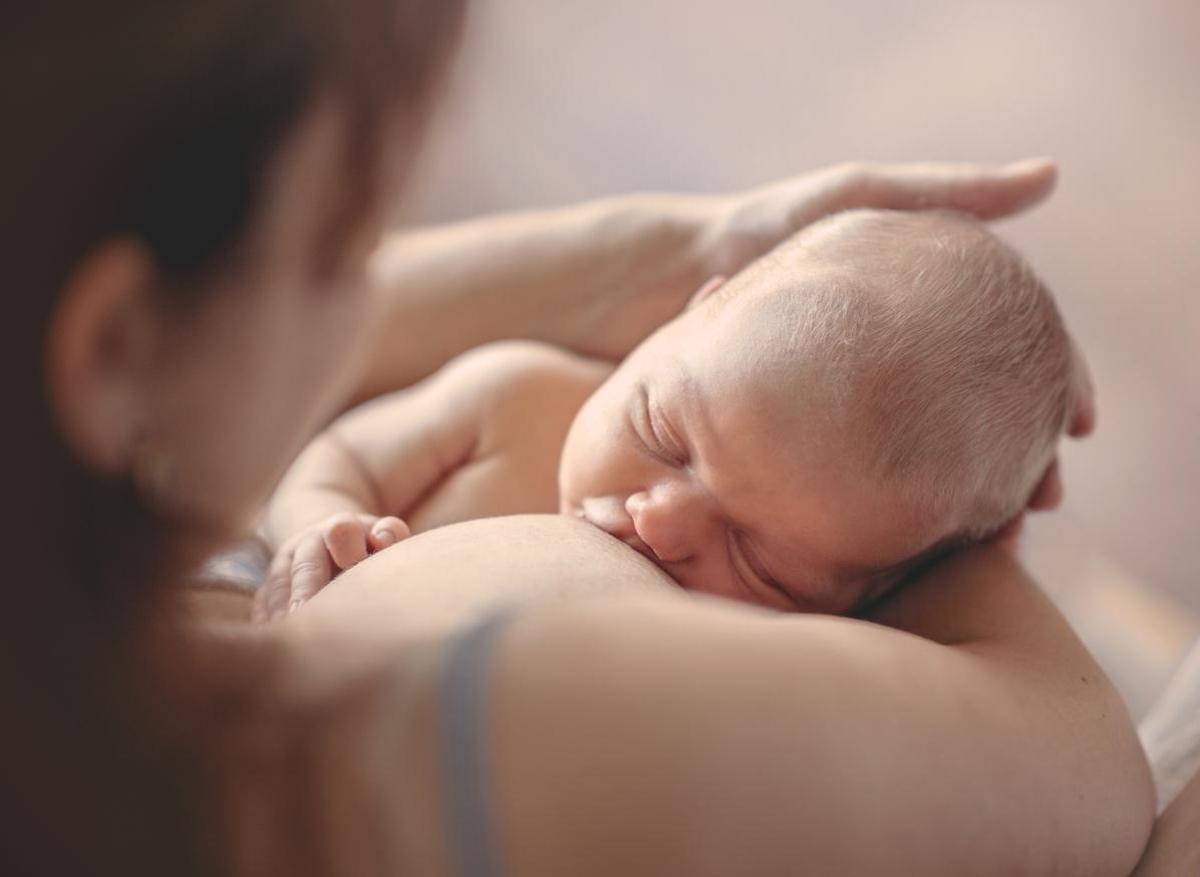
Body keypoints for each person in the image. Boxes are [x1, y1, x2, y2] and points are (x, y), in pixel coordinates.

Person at [1, 0, 1160, 874]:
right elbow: (1093, 777)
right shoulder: (494, 709)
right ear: (117, 351)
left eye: (767, 560)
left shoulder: (101, 606)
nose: (657, 515)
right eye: (349, 252)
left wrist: (668, 272)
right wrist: (959, 537)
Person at [260, 208, 1086, 618]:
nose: (659, 521)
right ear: (686, 314)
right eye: (663, 435)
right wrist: (322, 526)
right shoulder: (514, 398)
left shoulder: (790, 651)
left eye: (765, 566)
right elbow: (340, 457)